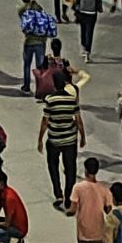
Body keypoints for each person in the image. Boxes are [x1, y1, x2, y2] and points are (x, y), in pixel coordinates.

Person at [42, 63, 84, 207]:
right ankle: (68, 197)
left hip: (54, 139)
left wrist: (40, 139)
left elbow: (45, 121)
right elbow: (78, 120)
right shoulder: (72, 100)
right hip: (70, 139)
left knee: (53, 166)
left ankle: (58, 194)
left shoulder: (50, 99)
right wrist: (82, 136)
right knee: (70, 169)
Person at [69, 157, 112, 243]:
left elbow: (73, 209)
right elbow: (108, 209)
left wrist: (68, 212)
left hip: (83, 227)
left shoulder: (78, 187)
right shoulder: (104, 189)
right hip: (98, 229)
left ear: (86, 170)